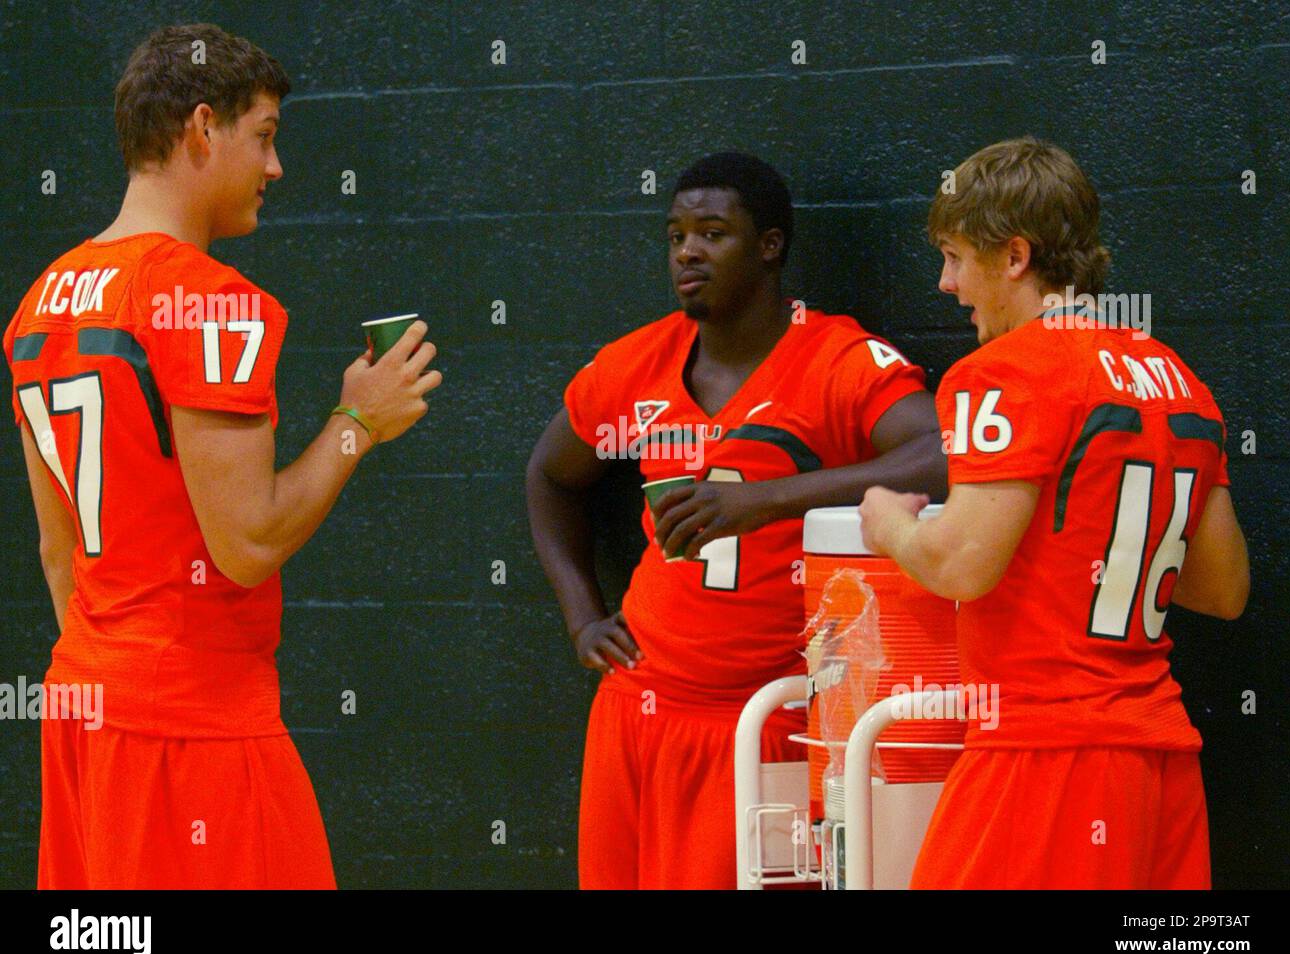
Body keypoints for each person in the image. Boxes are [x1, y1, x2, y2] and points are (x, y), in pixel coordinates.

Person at [3, 23, 442, 888]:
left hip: (84, 713)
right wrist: (359, 420)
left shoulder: (37, 302)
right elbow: (245, 543)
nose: (275, 169)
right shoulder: (206, 296)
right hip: (193, 725)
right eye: (266, 137)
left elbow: (61, 555)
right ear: (203, 128)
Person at [526, 152, 947, 888]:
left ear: (769, 246)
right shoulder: (634, 365)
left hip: (766, 717)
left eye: (712, 232)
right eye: (676, 235)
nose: (687, 250)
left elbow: (943, 453)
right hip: (640, 707)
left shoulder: (835, 358)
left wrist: (769, 497)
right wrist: (581, 617)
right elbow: (549, 475)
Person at [857, 136, 1250, 888]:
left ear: (1014, 257)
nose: (945, 283)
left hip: (1043, 757)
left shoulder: (1003, 371)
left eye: (955, 256)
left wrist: (888, 522)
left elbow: (961, 564)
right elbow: (1221, 587)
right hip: (1159, 762)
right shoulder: (1178, 378)